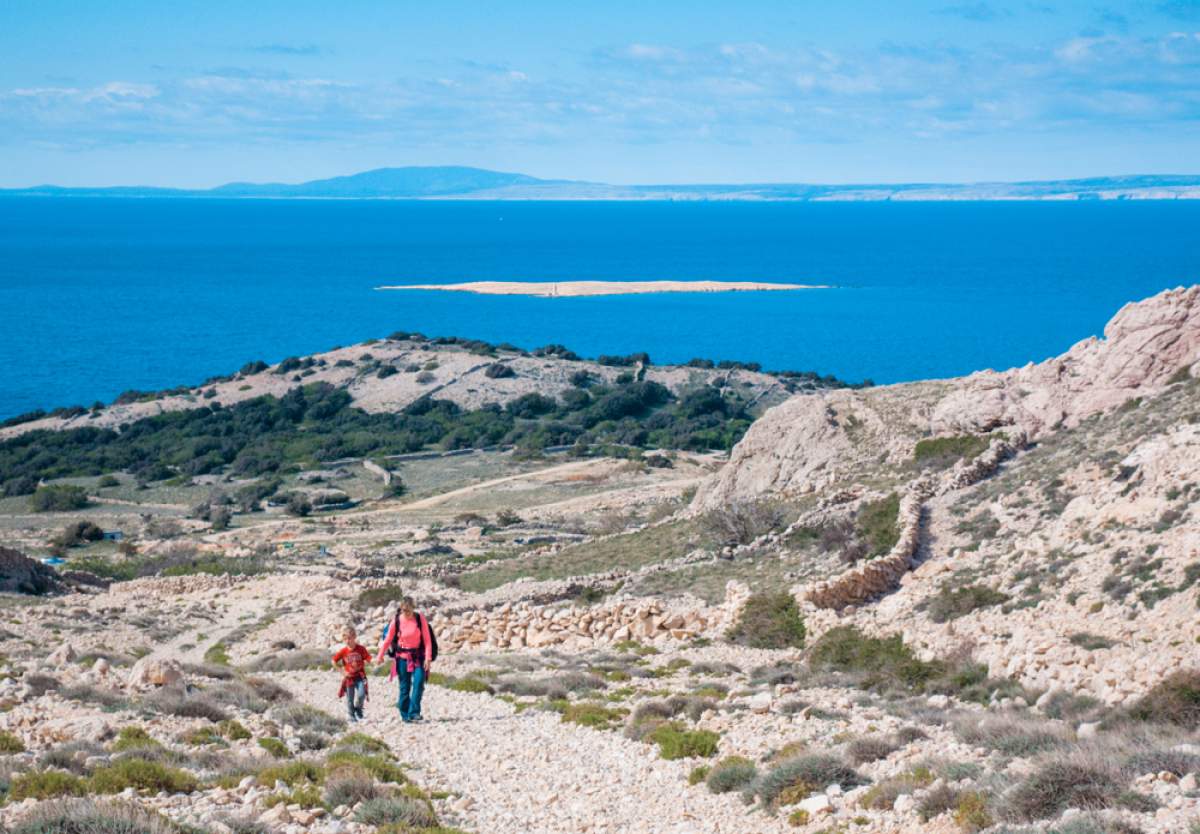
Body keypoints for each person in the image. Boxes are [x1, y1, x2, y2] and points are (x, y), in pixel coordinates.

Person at [376, 597, 432, 723]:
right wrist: (380, 655)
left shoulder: (419, 618)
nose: (406, 613)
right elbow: (388, 639)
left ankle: (414, 712)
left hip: (418, 657)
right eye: (403, 610)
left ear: (413, 607)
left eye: (408, 610)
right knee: (404, 687)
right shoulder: (396, 620)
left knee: (419, 683)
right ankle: (405, 714)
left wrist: (428, 658)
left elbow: (427, 640)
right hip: (402, 659)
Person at [332, 626, 370, 722]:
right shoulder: (343, 651)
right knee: (350, 698)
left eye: (349, 638)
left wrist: (375, 661)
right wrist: (342, 672)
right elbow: (333, 661)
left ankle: (358, 709)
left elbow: (368, 658)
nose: (347, 641)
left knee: (361, 694)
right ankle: (351, 715)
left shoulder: (361, 649)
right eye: (345, 639)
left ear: (354, 637)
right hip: (349, 678)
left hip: (360, 676)